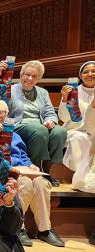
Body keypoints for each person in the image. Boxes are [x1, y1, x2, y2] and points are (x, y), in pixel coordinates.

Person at [0, 100, 64, 247]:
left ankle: (45, 229)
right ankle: (18, 227)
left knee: (41, 183)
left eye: (2, 113)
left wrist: (30, 165)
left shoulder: (14, 134)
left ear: (6, 115)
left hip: (20, 167)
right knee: (23, 182)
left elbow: (22, 154)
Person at [0, 59, 66, 186]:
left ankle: (48, 170)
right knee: (39, 130)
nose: (30, 78)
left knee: (60, 132)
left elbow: (49, 111)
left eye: (34, 76)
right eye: (27, 74)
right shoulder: (10, 89)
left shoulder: (43, 93)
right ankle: (35, 169)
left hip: (40, 125)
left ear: (39, 78)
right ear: (21, 75)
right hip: (17, 125)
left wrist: (51, 121)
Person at [58, 61, 95, 194]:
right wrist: (64, 99)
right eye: (86, 72)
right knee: (78, 138)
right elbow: (63, 118)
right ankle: (82, 177)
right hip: (77, 130)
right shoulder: (74, 91)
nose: (90, 74)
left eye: (93, 71)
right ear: (80, 75)